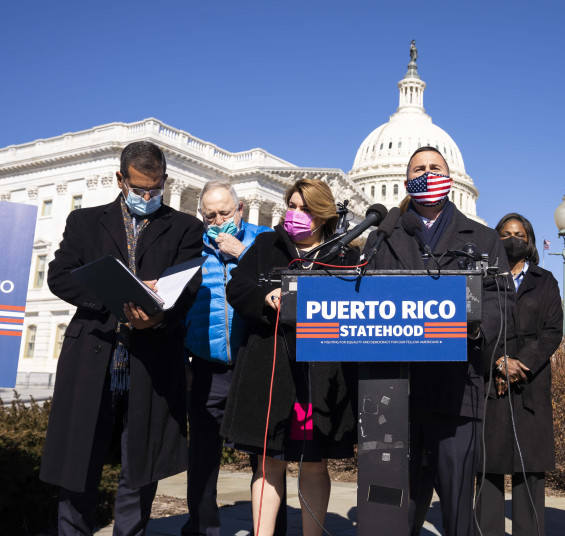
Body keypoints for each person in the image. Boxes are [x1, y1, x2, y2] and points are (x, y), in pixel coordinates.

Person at [40, 141, 203, 536]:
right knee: (78, 458)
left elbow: (190, 285)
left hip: (152, 361)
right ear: (120, 179)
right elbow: (60, 275)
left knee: (141, 463)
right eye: (139, 188)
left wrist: (157, 316)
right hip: (93, 356)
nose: (147, 196)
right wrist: (110, 297)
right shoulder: (85, 221)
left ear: (166, 180)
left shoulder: (185, 226)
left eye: (155, 188)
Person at [365, 146, 507, 536]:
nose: (427, 174)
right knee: (389, 510)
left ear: (450, 178)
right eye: (419, 169)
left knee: (458, 506)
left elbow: (499, 300)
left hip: (456, 389)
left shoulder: (483, 237)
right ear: (406, 180)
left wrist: (477, 327)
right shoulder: (382, 236)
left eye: (435, 167)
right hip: (392, 391)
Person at [221, 178, 357, 536]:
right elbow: (237, 287)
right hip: (269, 371)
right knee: (269, 464)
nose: (295, 214)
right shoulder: (267, 244)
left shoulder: (344, 255)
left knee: (313, 463)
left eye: (305, 208)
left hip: (320, 375)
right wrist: (266, 296)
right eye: (292, 206)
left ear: (324, 214)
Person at [182, 180, 271, 536]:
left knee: (264, 459)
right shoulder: (191, 246)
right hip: (207, 368)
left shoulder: (264, 240)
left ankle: (269, 528)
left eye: (224, 212)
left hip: (254, 365)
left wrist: (243, 251)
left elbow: (283, 283)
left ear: (240, 210)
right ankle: (202, 527)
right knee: (202, 457)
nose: (218, 221)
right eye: (210, 215)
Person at [474, 213, 562, 536]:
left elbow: (553, 331)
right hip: (490, 386)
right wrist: (497, 361)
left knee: (530, 473)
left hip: (530, 385)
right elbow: (472, 329)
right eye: (506, 233)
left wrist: (518, 366)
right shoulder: (482, 280)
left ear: (530, 241)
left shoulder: (546, 281)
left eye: (519, 234)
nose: (513, 239)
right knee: (488, 470)